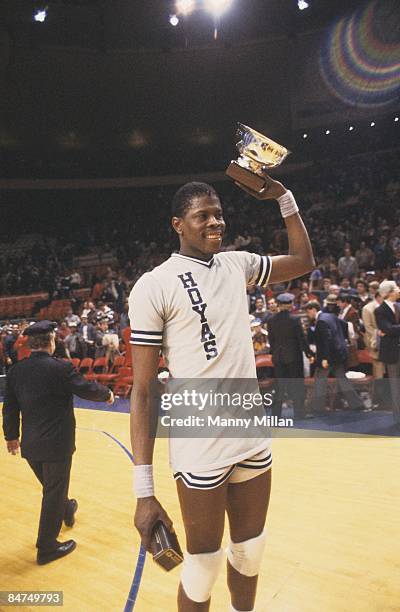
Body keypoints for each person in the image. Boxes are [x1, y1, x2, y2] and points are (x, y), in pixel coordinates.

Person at [129, 175, 314, 612]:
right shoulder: (154, 285)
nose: (215, 223)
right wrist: (143, 490)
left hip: (248, 429)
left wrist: (284, 198)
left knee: (251, 552)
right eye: (202, 216)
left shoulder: (238, 264)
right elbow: (142, 391)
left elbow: (304, 260)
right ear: (178, 223)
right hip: (201, 439)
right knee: (203, 564)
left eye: (219, 214)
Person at [2, 321, 114, 565]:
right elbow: (84, 388)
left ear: (31, 344)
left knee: (53, 489)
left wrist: (11, 436)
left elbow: (10, 408)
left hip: (31, 446)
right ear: (51, 341)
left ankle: (67, 509)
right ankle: (47, 547)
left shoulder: (16, 372)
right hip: (57, 445)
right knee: (53, 492)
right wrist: (106, 394)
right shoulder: (60, 368)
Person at [305, 301, 363, 414]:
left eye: (308, 312)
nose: (308, 315)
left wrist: (324, 358)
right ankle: (357, 404)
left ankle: (317, 408)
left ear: (313, 309)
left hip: (329, 356)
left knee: (320, 380)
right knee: (342, 379)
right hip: (339, 353)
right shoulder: (330, 316)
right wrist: (341, 341)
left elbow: (326, 341)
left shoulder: (321, 321)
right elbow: (346, 325)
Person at [267, 293, 313, 420]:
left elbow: (271, 340)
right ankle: (299, 413)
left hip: (278, 358)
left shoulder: (271, 320)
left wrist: (274, 353)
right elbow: (301, 339)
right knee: (297, 386)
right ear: (291, 305)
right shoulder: (295, 319)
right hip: (294, 358)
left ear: (279, 305)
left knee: (279, 388)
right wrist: (309, 353)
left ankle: (276, 415)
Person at [374, 280, 400, 426]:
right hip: (392, 353)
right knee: (396, 386)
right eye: (396, 288)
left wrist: (391, 330)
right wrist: (390, 330)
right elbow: (387, 329)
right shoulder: (380, 310)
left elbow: (390, 330)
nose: (399, 290)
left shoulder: (399, 306)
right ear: (389, 292)